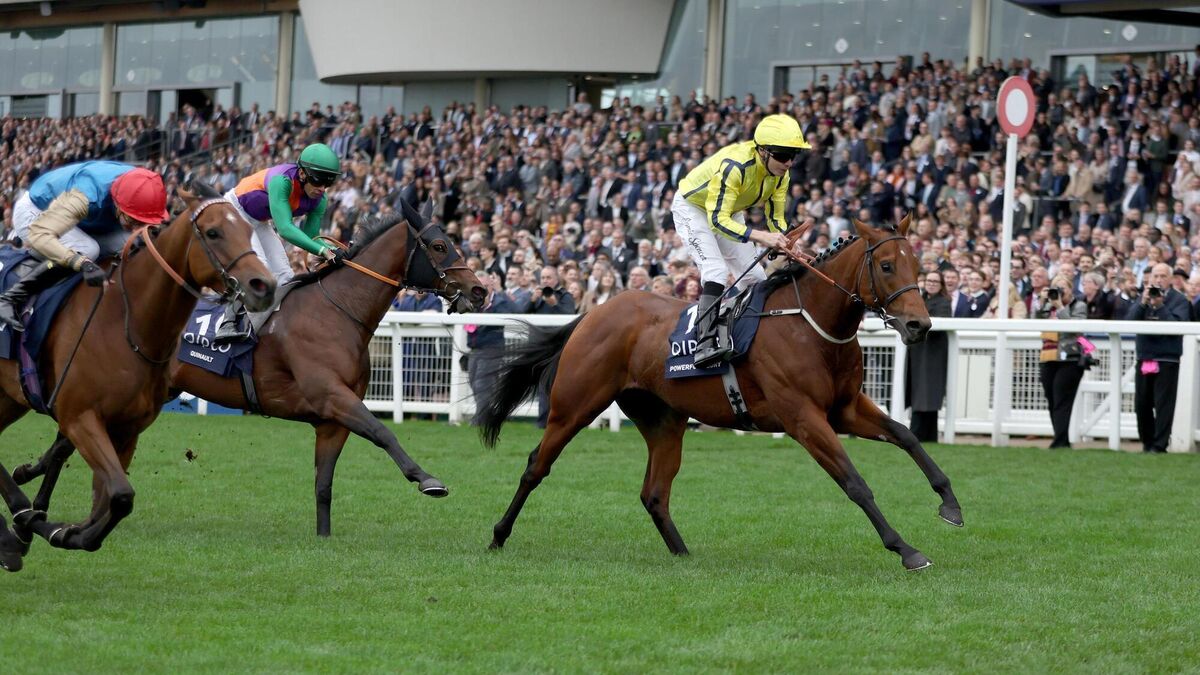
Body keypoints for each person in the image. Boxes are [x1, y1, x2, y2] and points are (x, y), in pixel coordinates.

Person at [671, 113, 808, 367]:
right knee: (716, 271)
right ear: (763, 151)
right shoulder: (736, 166)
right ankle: (704, 345)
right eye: (782, 155)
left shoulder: (782, 174)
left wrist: (787, 242)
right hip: (693, 208)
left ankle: (746, 337)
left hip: (728, 210)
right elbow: (717, 220)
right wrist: (762, 236)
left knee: (756, 278)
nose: (788, 162)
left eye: (793, 155)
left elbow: (776, 218)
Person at [0, 161, 169, 331]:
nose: (136, 227)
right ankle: (10, 297)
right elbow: (40, 234)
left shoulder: (143, 185)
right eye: (133, 220)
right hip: (37, 213)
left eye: (142, 222)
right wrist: (82, 263)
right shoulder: (85, 196)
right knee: (89, 250)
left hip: (82, 219)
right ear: (119, 205)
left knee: (131, 242)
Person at [215, 142, 343, 343]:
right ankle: (227, 323)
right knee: (260, 269)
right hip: (234, 211)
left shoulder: (320, 200)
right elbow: (285, 228)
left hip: (258, 220)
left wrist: (333, 249)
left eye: (328, 184)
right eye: (318, 181)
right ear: (302, 174)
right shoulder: (282, 181)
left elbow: (311, 237)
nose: (322, 189)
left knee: (285, 275)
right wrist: (323, 250)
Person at [1124, 263, 1193, 453]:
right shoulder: (1143, 296)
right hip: (1145, 356)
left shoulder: (1179, 300)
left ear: (1170, 279)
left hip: (1167, 358)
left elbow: (1177, 327)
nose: (1159, 280)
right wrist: (1143, 303)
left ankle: (1160, 445)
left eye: (1163, 276)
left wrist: (1160, 305)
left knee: (1164, 404)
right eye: (1156, 276)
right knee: (1142, 403)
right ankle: (1147, 442)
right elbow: (1128, 323)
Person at [1033, 275, 1088, 448]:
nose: (1059, 292)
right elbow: (1035, 321)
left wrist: (1060, 307)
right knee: (1051, 399)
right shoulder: (1047, 306)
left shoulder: (1079, 306)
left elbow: (1075, 328)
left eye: (1063, 288)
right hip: (1048, 356)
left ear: (1071, 290)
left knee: (1062, 400)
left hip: (1069, 358)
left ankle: (1060, 440)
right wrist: (1042, 302)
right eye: (1056, 288)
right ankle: (1061, 439)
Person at [906, 270, 950, 442]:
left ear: (941, 285)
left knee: (927, 393)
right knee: (921, 392)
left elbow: (936, 324)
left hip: (933, 354)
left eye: (935, 281)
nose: (931, 284)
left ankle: (916, 433)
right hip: (918, 352)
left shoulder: (944, 302)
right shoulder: (919, 299)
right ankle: (929, 436)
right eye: (929, 281)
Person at [465, 270, 518, 407]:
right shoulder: (470, 301)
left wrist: (488, 306)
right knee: (473, 381)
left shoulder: (500, 301)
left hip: (492, 348)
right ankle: (488, 412)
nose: (482, 291)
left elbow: (514, 313)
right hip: (475, 348)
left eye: (485, 287)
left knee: (482, 383)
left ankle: (482, 416)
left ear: (491, 286)